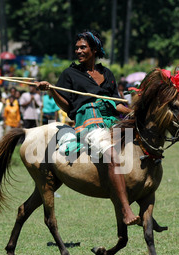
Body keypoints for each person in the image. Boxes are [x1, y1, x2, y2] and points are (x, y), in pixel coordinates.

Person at [36, 30, 139, 226]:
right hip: (88, 119)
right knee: (111, 155)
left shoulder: (107, 74)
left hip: (110, 118)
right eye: (77, 48)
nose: (78, 51)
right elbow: (67, 107)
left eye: (83, 47)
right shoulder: (69, 74)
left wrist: (133, 112)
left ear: (94, 49)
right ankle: (125, 211)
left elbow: (115, 103)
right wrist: (51, 90)